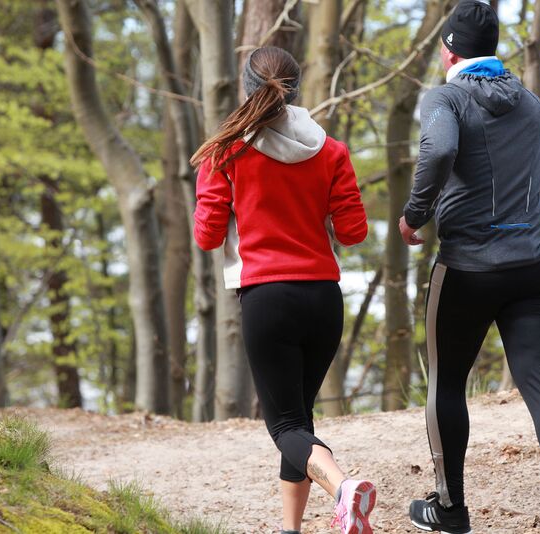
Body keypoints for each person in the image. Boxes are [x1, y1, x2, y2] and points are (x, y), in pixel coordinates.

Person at [398, 2, 540, 534]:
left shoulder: (446, 97)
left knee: (446, 383)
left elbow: (438, 152)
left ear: (449, 49)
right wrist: (519, 205)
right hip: (532, 263)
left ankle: (451, 510)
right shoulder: (529, 102)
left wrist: (416, 215)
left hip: (466, 268)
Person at [191, 46, 376, 534]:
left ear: (247, 86)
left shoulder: (225, 151)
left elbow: (207, 236)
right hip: (323, 299)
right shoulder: (331, 150)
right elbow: (354, 232)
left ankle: (342, 487)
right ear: (297, 87)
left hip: (267, 299)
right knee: (299, 422)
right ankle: (291, 528)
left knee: (285, 427)